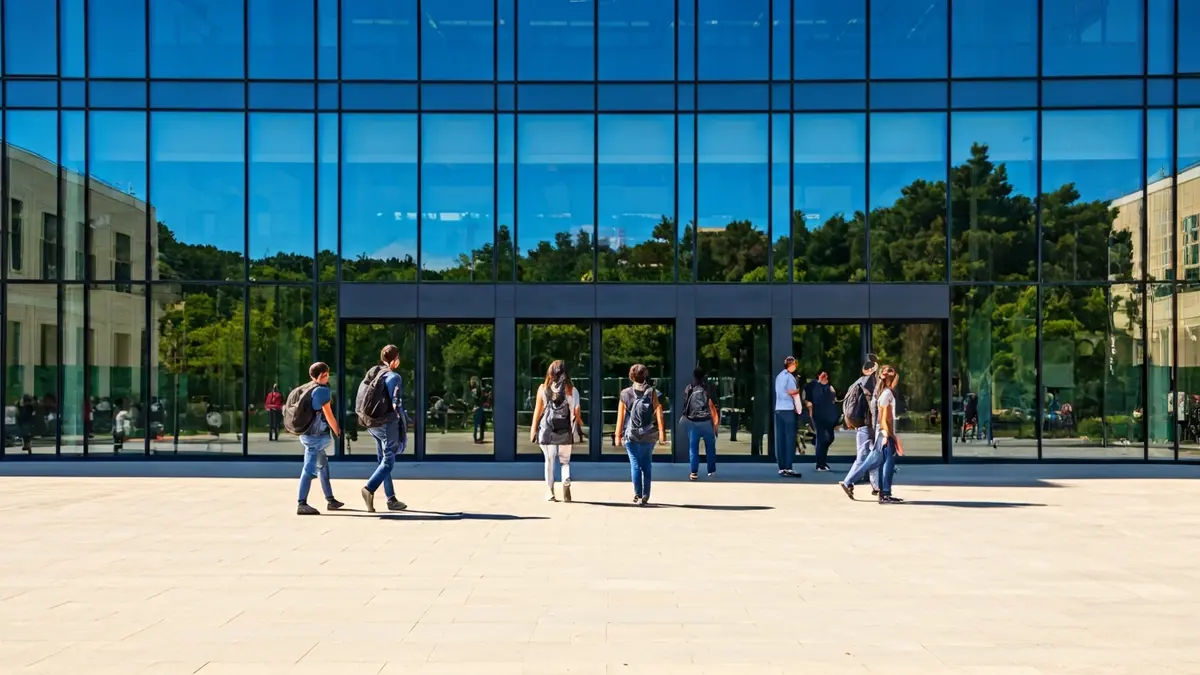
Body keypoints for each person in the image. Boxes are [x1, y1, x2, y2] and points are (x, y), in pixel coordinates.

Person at [839, 364, 903, 504]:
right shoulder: (887, 393)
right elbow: (885, 417)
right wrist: (889, 435)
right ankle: (885, 493)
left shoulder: (881, 393)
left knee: (873, 461)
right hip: (885, 433)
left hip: (881, 432)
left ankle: (850, 481)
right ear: (891, 380)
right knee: (887, 463)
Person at [359, 344, 409, 513]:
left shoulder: (374, 372)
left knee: (382, 461)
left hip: (371, 423)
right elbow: (396, 402)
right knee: (388, 462)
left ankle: (391, 498)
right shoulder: (393, 377)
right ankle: (369, 488)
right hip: (387, 423)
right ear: (395, 360)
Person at [529, 360, 584, 502]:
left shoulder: (543, 388)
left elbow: (538, 410)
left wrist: (533, 429)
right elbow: (576, 412)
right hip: (565, 429)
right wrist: (579, 425)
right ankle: (565, 481)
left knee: (549, 460)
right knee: (565, 461)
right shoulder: (572, 390)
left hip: (547, 429)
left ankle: (550, 491)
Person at [295, 362, 345, 515]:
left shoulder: (307, 388)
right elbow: (328, 413)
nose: (326, 377)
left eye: (327, 374)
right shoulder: (322, 391)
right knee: (309, 469)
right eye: (323, 375)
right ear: (314, 376)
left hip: (307, 434)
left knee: (323, 467)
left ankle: (330, 500)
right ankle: (301, 503)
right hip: (314, 438)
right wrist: (337, 430)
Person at [615, 364, 666, 506]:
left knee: (635, 464)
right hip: (649, 434)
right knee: (647, 465)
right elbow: (659, 412)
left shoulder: (625, 393)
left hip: (631, 434)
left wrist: (618, 435)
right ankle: (646, 495)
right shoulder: (651, 392)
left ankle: (637, 492)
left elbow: (621, 416)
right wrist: (662, 433)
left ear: (631, 376)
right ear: (645, 376)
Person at [839, 357, 881, 498]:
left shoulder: (857, 383)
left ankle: (877, 487)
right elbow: (872, 405)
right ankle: (848, 481)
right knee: (864, 457)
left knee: (874, 456)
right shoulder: (870, 383)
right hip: (867, 424)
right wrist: (876, 427)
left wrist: (847, 419)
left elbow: (847, 404)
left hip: (860, 423)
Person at [682, 367, 719, 480]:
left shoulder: (689, 388)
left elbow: (686, 405)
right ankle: (711, 471)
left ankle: (694, 472)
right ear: (704, 377)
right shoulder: (708, 388)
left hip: (693, 422)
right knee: (710, 447)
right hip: (707, 421)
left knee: (693, 448)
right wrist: (716, 424)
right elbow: (713, 406)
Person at [773, 357, 802, 478]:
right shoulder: (789, 377)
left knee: (780, 439)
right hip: (788, 410)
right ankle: (788, 467)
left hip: (779, 409)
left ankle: (781, 466)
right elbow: (790, 391)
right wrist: (797, 392)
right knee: (789, 438)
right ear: (791, 365)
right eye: (794, 364)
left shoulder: (779, 376)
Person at [804, 371, 838, 472]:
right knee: (821, 437)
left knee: (830, 438)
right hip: (818, 415)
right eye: (822, 375)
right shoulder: (814, 385)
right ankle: (820, 464)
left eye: (826, 375)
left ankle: (822, 459)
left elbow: (832, 398)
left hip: (829, 416)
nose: (824, 376)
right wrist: (809, 406)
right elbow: (810, 397)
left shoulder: (829, 386)